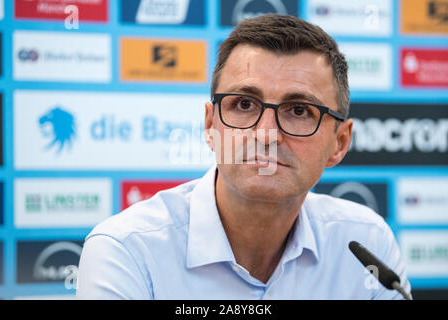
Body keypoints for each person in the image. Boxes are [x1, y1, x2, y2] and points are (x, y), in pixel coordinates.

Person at [76, 14, 411, 300]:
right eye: (244, 104)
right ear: (210, 125)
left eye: (298, 110)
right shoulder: (127, 251)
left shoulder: (367, 243)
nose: (267, 133)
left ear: (339, 143)